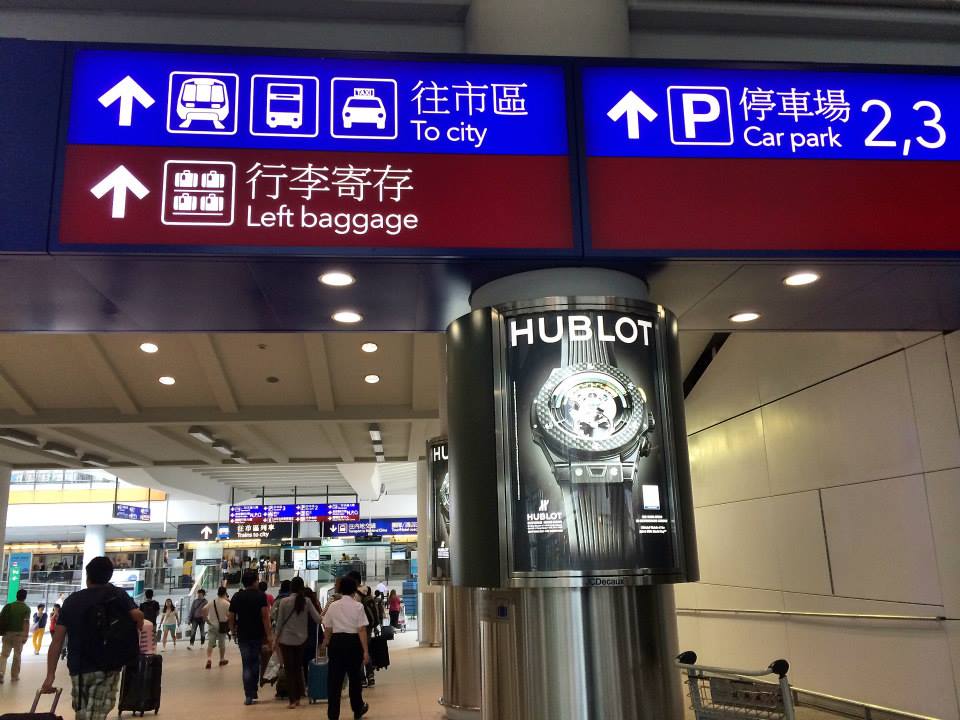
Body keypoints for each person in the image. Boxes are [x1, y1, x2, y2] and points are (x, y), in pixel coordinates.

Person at [41, 556, 144, 720]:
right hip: (109, 663)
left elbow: (57, 641)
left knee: (84, 712)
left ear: (87, 577)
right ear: (109, 576)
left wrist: (50, 674)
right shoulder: (117, 595)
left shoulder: (72, 601)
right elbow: (138, 615)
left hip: (79, 666)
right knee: (94, 713)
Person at [321, 576, 369, 720]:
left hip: (336, 643)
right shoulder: (358, 606)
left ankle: (333, 714)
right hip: (353, 643)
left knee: (334, 680)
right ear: (354, 590)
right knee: (355, 678)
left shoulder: (333, 606)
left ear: (341, 589)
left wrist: (325, 642)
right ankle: (357, 709)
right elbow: (361, 629)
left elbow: (328, 628)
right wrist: (365, 651)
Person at [274, 576, 322, 709]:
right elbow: (318, 619)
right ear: (302, 587)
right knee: (298, 667)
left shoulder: (284, 601)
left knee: (289, 669)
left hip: (286, 640)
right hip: (301, 640)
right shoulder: (306, 601)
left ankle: (293, 700)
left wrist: (275, 639)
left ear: (291, 588)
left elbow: (279, 623)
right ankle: (299, 697)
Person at [228, 569, 274, 705]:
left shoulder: (237, 596)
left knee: (246, 664)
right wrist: (269, 635)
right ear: (254, 582)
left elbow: (231, 617)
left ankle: (248, 694)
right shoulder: (260, 596)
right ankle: (253, 689)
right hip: (257, 634)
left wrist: (233, 632)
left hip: (243, 635)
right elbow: (265, 617)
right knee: (255, 662)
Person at [0, 589, 30, 683]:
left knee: (4, 655)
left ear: (16, 596)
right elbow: (26, 623)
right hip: (19, 635)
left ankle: (1, 673)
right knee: (17, 655)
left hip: (7, 634)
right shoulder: (26, 608)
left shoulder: (8, 606)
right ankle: (14, 676)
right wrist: (25, 636)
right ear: (25, 597)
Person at [203, 586, 230, 670]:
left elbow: (203, 609)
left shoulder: (212, 601)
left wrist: (206, 620)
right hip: (222, 626)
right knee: (222, 643)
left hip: (212, 625)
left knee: (210, 643)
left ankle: (209, 659)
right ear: (225, 593)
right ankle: (221, 659)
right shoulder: (226, 603)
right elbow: (229, 615)